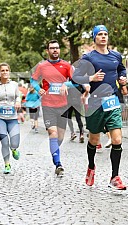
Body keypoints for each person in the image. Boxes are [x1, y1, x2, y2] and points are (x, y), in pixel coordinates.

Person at [73, 25, 127, 190]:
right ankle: (91, 167)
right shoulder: (88, 57)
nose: (103, 37)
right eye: (100, 34)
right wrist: (92, 78)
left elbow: (121, 69)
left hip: (112, 100)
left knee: (117, 139)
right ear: (94, 38)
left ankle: (115, 177)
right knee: (94, 140)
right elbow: (77, 77)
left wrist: (123, 77)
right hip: (95, 102)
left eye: (105, 34)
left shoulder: (116, 56)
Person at [30, 39, 73, 176]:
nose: (55, 50)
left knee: (60, 137)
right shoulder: (42, 66)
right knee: (52, 134)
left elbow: (76, 82)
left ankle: (54, 151)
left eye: (57, 48)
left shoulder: (66, 66)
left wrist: (67, 85)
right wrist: (38, 89)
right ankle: (58, 163)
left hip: (63, 105)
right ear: (47, 51)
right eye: (52, 48)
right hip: (48, 105)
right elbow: (33, 80)